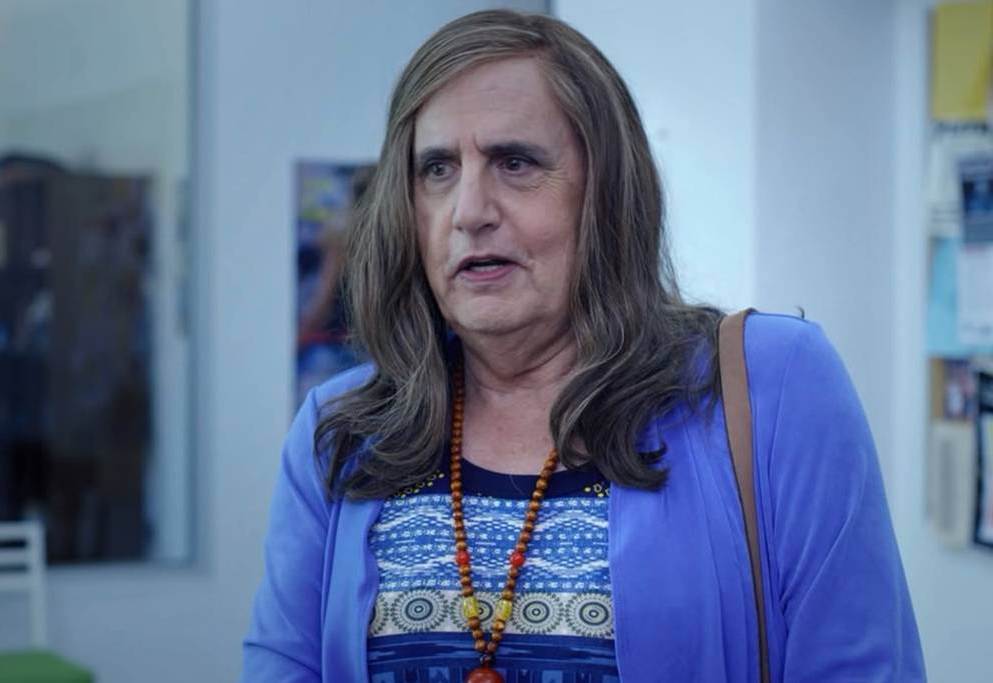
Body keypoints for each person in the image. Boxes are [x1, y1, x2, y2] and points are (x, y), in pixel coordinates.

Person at [242, 9, 925, 683]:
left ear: (605, 192)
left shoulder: (775, 386)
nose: (469, 211)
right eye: (438, 169)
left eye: (515, 162)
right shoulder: (341, 433)